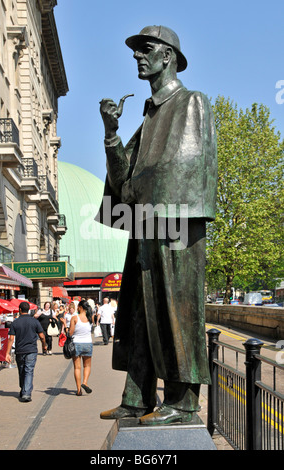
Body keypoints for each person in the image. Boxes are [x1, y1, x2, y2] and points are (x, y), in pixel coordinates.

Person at [97, 26, 217, 425]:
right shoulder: (147, 117)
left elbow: (185, 166)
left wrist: (138, 189)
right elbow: (121, 182)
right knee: (138, 308)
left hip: (176, 225)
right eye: (136, 51)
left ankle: (183, 402)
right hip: (146, 223)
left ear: (168, 56)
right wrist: (112, 135)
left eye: (145, 49)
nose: (137, 56)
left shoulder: (190, 102)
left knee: (175, 310)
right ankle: (137, 396)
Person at [6, 302, 47, 402]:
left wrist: (7, 353)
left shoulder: (15, 322)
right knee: (28, 371)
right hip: (32, 350)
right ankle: (26, 392)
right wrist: (44, 345)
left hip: (19, 350)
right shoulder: (34, 321)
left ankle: (24, 391)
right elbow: (42, 336)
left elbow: (11, 339)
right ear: (28, 310)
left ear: (19, 310)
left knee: (21, 370)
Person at [69, 300, 93, 396]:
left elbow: (70, 333)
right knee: (87, 366)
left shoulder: (75, 318)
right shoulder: (90, 318)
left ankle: (78, 389)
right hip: (88, 343)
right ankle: (85, 382)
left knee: (77, 368)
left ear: (80, 307)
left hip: (76, 343)